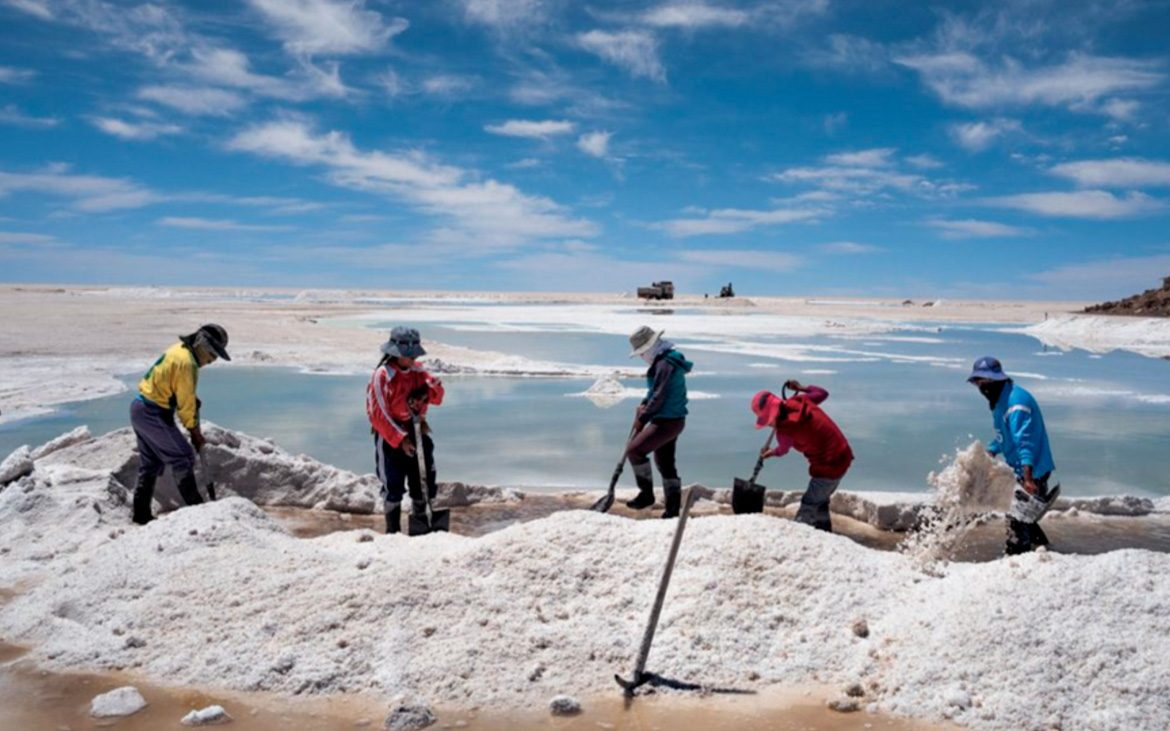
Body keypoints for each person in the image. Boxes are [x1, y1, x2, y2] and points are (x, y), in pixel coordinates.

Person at [130, 324, 231, 525]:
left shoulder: (180, 350)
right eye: (212, 353)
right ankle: (198, 511)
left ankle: (141, 516)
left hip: (140, 408)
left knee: (151, 464)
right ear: (201, 343)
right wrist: (195, 432)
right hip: (153, 412)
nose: (212, 360)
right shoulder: (188, 364)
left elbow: (176, 387)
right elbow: (185, 406)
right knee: (183, 456)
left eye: (216, 356)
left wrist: (190, 399)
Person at [967, 356, 1057, 555]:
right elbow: (1004, 436)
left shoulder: (1016, 403)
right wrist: (990, 451)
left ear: (997, 379)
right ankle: (1046, 551)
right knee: (1026, 516)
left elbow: (1025, 441)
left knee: (1016, 521)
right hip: (1022, 470)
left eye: (985, 382)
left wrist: (1028, 479)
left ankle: (1017, 561)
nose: (982, 387)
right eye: (978, 383)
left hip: (1032, 472)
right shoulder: (1001, 401)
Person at [366, 327, 445, 534]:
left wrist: (430, 392)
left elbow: (437, 398)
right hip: (391, 437)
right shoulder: (382, 376)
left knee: (423, 481)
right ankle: (392, 531)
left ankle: (422, 528)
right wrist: (400, 439)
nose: (411, 359)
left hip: (417, 430)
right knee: (393, 485)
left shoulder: (419, 372)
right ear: (395, 353)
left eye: (413, 355)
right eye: (407, 356)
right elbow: (377, 414)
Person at [751, 380, 853, 532]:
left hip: (828, 466)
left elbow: (783, 450)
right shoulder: (800, 400)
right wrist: (801, 388)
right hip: (843, 454)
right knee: (821, 500)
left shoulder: (784, 432)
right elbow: (823, 393)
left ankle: (799, 535)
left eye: (767, 421)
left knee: (809, 503)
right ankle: (824, 531)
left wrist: (771, 453)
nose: (768, 424)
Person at [625, 326, 693, 518]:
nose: (641, 357)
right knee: (664, 462)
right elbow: (654, 393)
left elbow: (660, 396)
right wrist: (644, 405)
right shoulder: (664, 361)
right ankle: (672, 510)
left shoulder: (665, 364)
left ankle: (646, 495)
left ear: (650, 347)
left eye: (641, 353)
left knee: (634, 451)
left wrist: (643, 418)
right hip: (672, 419)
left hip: (667, 421)